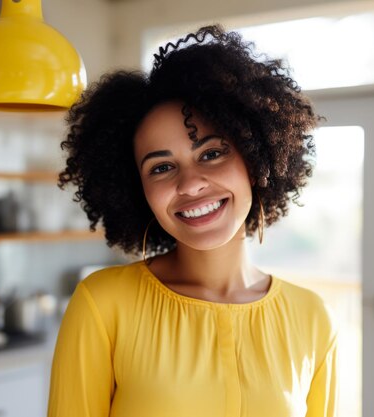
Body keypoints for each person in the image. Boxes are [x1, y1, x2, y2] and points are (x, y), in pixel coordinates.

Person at [48, 25, 337, 417]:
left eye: (212, 153)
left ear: (255, 158)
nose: (191, 183)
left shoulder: (312, 318)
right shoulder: (102, 305)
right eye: (162, 166)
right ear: (138, 190)